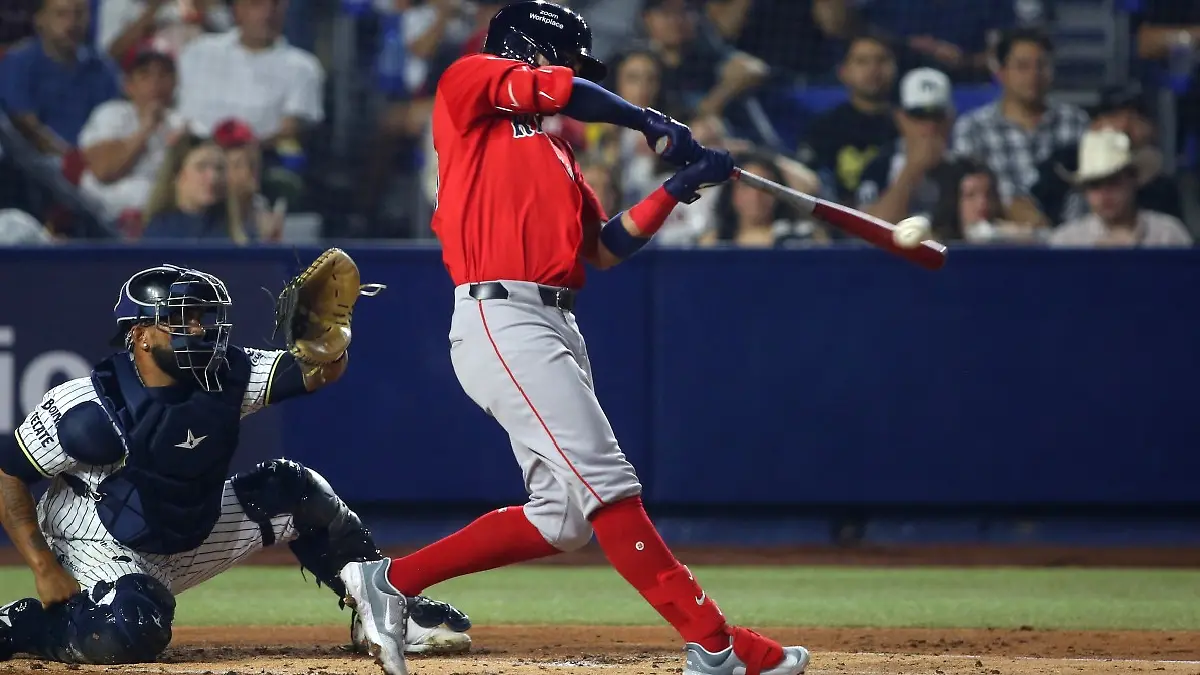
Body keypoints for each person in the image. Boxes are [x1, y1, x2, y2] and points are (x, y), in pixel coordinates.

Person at [334, 4, 811, 675]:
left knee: (563, 517)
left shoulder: (556, 153)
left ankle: (388, 581)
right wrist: (648, 120)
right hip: (501, 315)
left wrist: (676, 188)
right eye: (563, 60)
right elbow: (560, 90)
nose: (568, 74)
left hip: (555, 320)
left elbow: (604, 248)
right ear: (530, 50)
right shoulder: (468, 81)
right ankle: (714, 642)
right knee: (609, 483)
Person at [0, 264, 471, 665]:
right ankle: (30, 624)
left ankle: (385, 609)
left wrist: (330, 342)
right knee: (131, 630)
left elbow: (316, 372)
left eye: (204, 318)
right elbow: (7, 475)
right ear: (141, 335)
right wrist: (44, 567)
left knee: (294, 488)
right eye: (182, 320)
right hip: (99, 539)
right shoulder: (90, 409)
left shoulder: (228, 373)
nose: (201, 330)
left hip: (189, 527)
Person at [951, 27, 1087, 224]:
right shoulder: (973, 129)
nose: (1034, 75)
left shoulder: (1075, 123)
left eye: (1042, 65)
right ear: (1001, 72)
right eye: (1022, 66)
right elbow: (968, 197)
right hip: (999, 244)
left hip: (1072, 242)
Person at [1029, 83, 1183, 224]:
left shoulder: (1162, 188)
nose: (1124, 125)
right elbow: (1032, 207)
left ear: (1152, 130)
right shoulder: (1063, 163)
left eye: (1135, 118)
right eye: (1114, 116)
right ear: (1095, 125)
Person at [0, 0, 121, 156]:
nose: (72, 23)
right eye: (61, 14)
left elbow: (115, 122)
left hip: (94, 164)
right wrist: (69, 159)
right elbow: (23, 124)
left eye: (79, 14)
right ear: (40, 19)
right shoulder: (19, 63)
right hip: (34, 166)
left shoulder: (103, 68)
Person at [78, 48, 183, 222]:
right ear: (128, 85)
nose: (155, 83)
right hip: (103, 220)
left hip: (158, 222)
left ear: (174, 83)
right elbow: (104, 170)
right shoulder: (111, 114)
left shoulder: (186, 126)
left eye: (164, 74)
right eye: (145, 75)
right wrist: (146, 128)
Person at [798, 32, 898, 205]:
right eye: (862, 62)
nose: (873, 69)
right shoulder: (824, 128)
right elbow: (806, 181)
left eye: (881, 60)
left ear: (895, 68)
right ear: (843, 72)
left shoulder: (911, 126)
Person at [1049, 129, 1192, 248]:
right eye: (1095, 185)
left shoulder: (1169, 235)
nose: (1105, 194)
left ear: (1133, 180)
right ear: (1085, 192)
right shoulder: (1066, 241)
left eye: (1113, 182)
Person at [855, 67, 957, 226]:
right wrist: (912, 169)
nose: (930, 127)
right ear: (901, 118)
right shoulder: (880, 165)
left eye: (937, 116)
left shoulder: (964, 165)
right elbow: (866, 230)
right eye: (919, 116)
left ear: (950, 118)